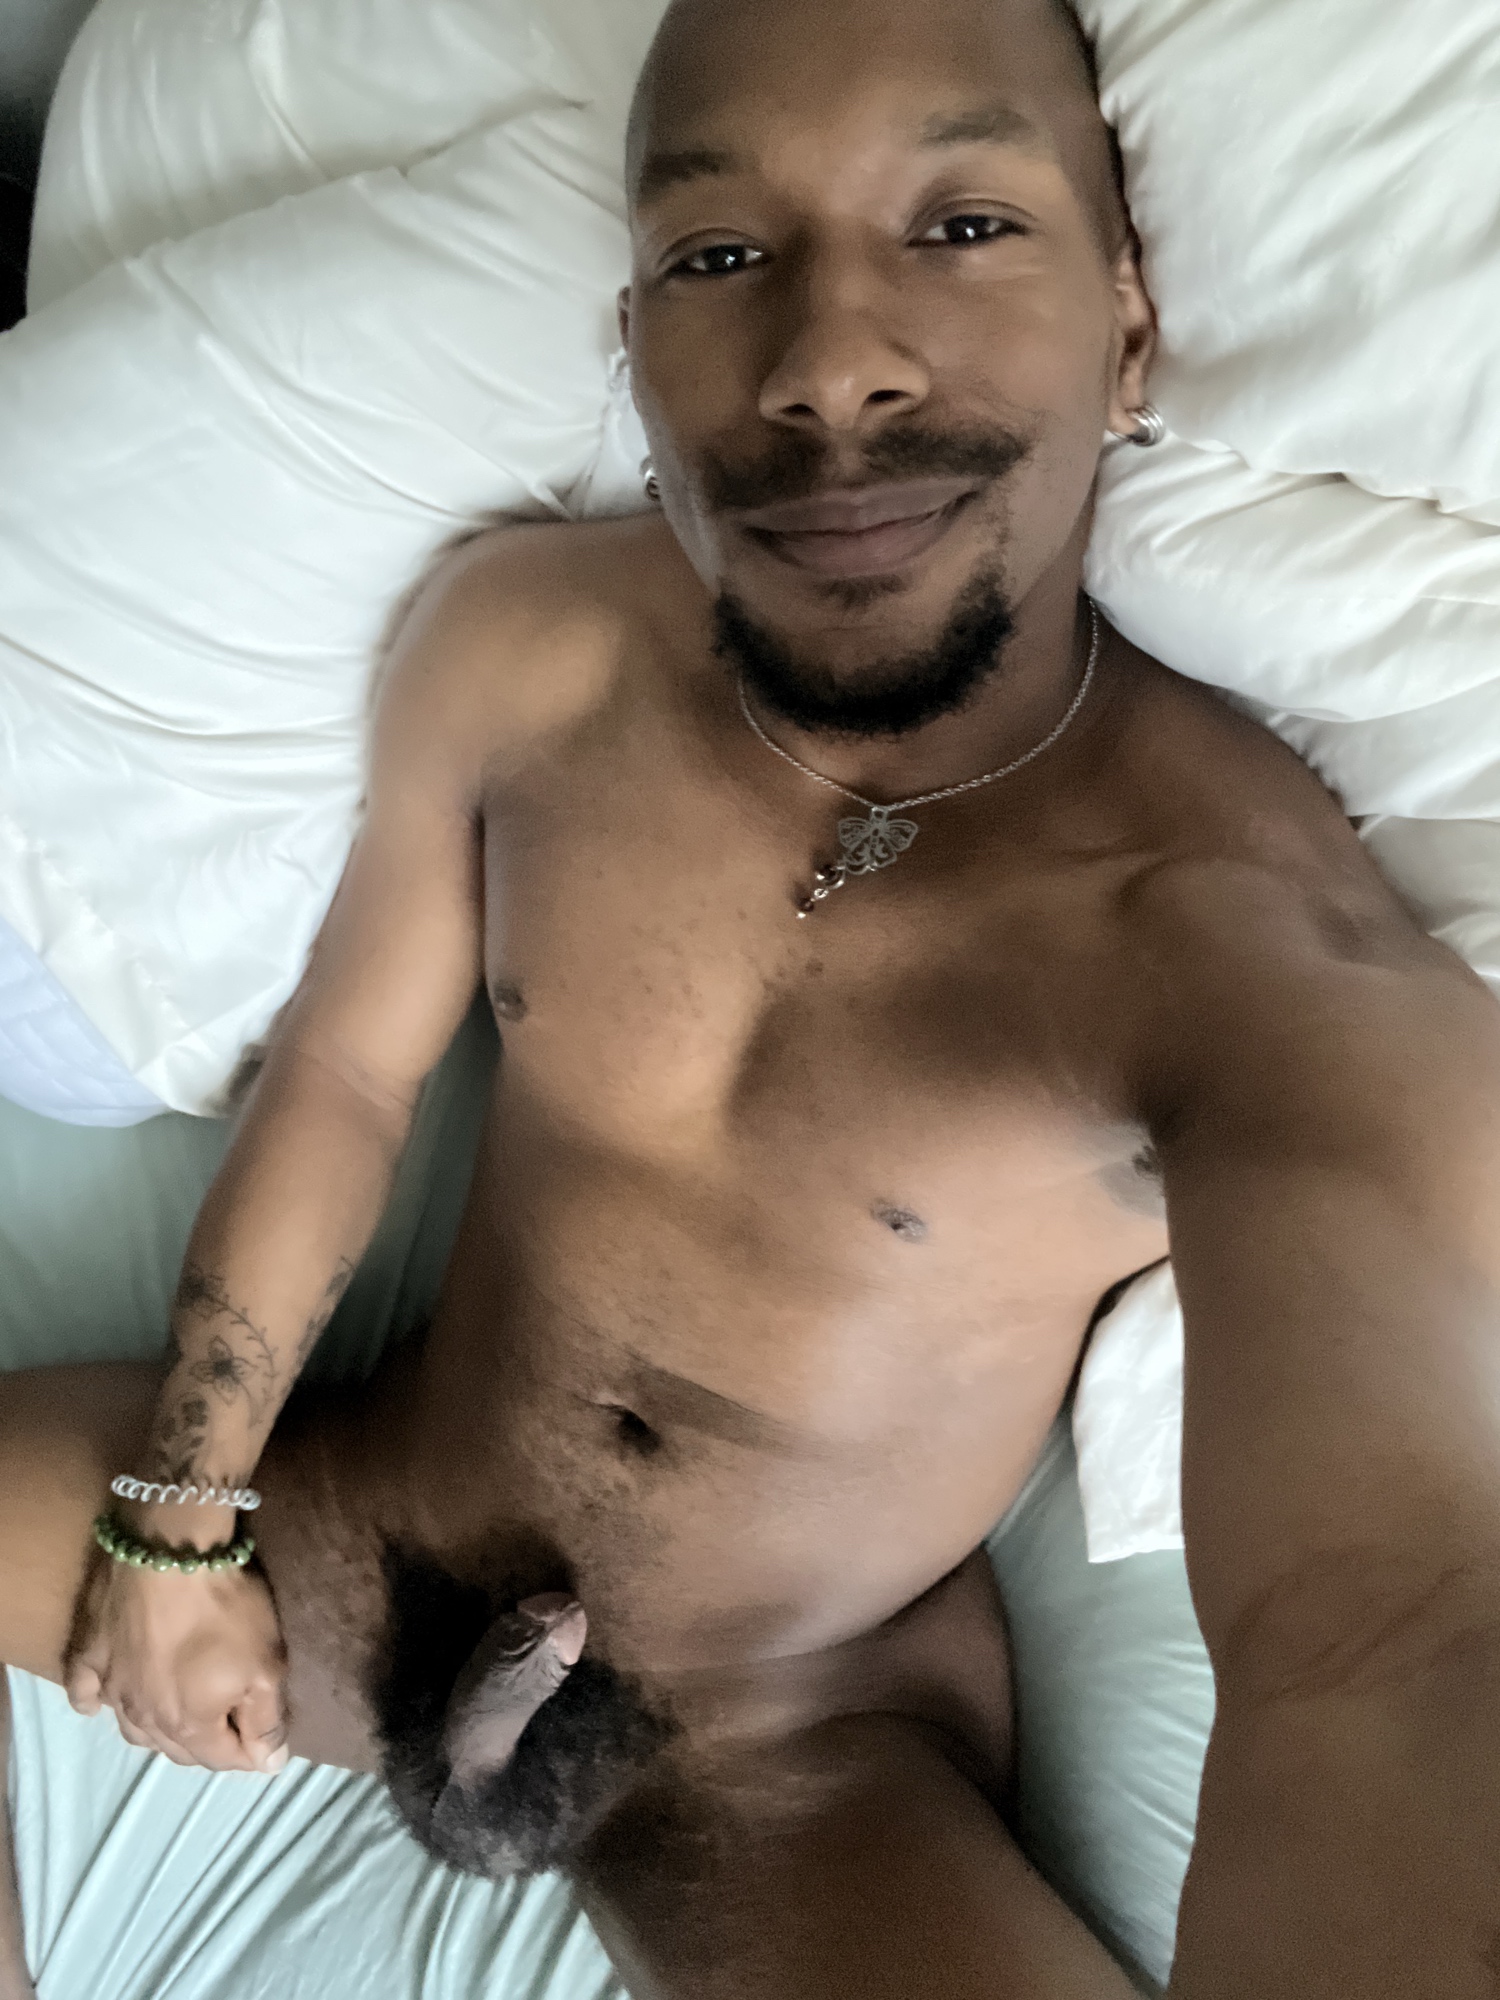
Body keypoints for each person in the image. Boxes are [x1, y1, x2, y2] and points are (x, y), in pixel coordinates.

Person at [17, 0, 1500, 1990]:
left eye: (961, 227)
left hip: (775, 1734)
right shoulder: (530, 647)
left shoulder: (1244, 947)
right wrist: (175, 1519)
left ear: (1130, 331)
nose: (830, 361)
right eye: (720, 254)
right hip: (366, 1531)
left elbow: (1384, 1635)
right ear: (633, 344)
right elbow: (352, 1078)